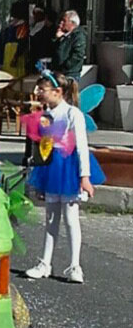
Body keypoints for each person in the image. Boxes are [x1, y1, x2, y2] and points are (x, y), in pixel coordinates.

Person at [25, 71, 105, 284]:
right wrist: (39, 176)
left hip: (69, 169)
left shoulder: (72, 114)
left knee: (70, 218)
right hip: (51, 168)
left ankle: (74, 266)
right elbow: (42, 147)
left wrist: (84, 177)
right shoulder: (45, 115)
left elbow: (81, 147)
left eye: (42, 89)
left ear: (57, 91)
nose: (38, 93)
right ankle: (44, 263)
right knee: (51, 218)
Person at [52, 10, 86, 81]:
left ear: (72, 23)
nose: (61, 23)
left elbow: (78, 54)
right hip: (59, 72)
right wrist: (57, 38)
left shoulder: (78, 35)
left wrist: (65, 67)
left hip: (70, 74)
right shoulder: (63, 35)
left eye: (64, 21)